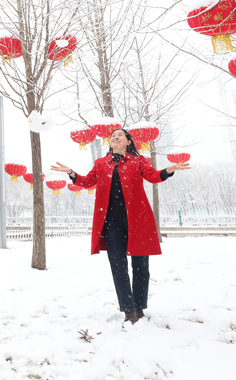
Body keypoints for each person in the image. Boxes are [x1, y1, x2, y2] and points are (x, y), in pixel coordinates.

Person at [50, 128, 190, 324]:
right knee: (118, 266)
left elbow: (152, 176)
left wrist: (168, 170)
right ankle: (128, 310)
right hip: (111, 221)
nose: (115, 138)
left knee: (141, 266)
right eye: (112, 136)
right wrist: (72, 174)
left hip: (137, 220)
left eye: (120, 135)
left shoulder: (140, 161)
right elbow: (88, 182)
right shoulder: (101, 163)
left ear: (128, 142)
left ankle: (139, 307)